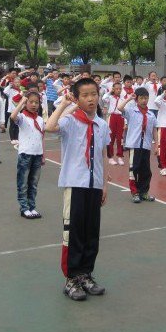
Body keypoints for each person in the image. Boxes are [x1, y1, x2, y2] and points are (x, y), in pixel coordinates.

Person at [45, 78, 110, 302]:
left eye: (94, 94)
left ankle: (86, 274)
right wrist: (64, 104)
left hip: (94, 185)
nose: (91, 98)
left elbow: (103, 154)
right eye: (85, 95)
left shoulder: (102, 124)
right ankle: (71, 279)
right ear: (77, 98)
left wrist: (104, 184)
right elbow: (49, 127)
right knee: (73, 234)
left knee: (91, 232)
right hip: (75, 184)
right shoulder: (71, 121)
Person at [119, 88, 157, 203]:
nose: (144, 100)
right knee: (134, 169)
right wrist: (129, 98)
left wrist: (157, 145)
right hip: (135, 145)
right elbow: (120, 108)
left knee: (146, 171)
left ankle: (143, 192)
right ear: (137, 99)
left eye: (146, 98)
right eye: (141, 98)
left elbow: (154, 130)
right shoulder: (131, 111)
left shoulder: (151, 114)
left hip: (145, 145)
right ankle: (135, 193)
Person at [10, 90, 45, 219]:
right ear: (26, 103)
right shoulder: (22, 117)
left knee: (34, 183)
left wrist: (43, 154)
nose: (34, 104)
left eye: (37, 102)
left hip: (37, 154)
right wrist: (22, 102)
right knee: (23, 183)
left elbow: (42, 137)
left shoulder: (40, 119)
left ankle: (32, 206)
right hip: (25, 154)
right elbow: (13, 117)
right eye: (31, 102)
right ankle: (24, 208)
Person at [103, 81, 125, 166]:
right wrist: (110, 91)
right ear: (113, 89)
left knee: (120, 138)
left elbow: (125, 110)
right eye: (116, 89)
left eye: (120, 89)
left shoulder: (123, 99)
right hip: (112, 117)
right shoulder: (110, 97)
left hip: (120, 118)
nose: (118, 90)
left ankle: (120, 156)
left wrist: (125, 122)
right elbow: (104, 98)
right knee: (111, 137)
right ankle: (110, 157)